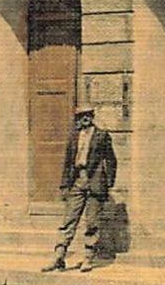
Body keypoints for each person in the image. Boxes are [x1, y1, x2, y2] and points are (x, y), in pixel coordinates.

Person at [43, 104, 117, 272]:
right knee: (69, 220)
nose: (85, 118)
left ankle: (88, 258)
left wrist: (108, 183)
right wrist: (64, 185)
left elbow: (111, 160)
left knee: (92, 223)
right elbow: (68, 162)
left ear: (92, 116)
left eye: (88, 115)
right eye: (82, 115)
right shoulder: (74, 136)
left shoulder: (102, 136)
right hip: (77, 180)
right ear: (78, 118)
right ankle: (59, 257)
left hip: (95, 183)